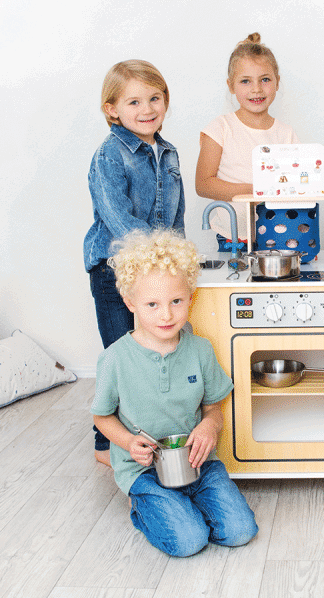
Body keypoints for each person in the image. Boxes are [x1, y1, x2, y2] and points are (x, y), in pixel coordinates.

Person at [91, 230, 258, 557]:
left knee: (241, 532)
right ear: (130, 303)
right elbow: (102, 417)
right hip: (144, 470)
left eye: (176, 302)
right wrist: (128, 442)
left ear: (191, 298)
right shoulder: (114, 359)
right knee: (189, 541)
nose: (166, 315)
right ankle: (147, 506)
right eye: (152, 304)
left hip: (198, 464)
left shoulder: (200, 350)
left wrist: (210, 425)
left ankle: (182, 504)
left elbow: (213, 406)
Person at [84, 60, 186, 466]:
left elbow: (176, 217)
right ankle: (106, 443)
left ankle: (151, 433)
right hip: (115, 270)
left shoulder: (168, 151)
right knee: (121, 357)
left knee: (157, 352)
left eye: (155, 98)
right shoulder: (109, 155)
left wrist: (177, 262)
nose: (147, 109)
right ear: (112, 109)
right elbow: (119, 220)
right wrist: (157, 260)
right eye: (134, 102)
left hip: (157, 271)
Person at [196, 32, 299, 251]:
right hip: (234, 236)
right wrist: (255, 191)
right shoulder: (220, 128)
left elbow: (296, 184)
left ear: (277, 82)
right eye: (245, 81)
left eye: (265, 79)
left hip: (278, 235)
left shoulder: (286, 134)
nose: (256, 89)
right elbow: (203, 184)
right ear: (231, 85)